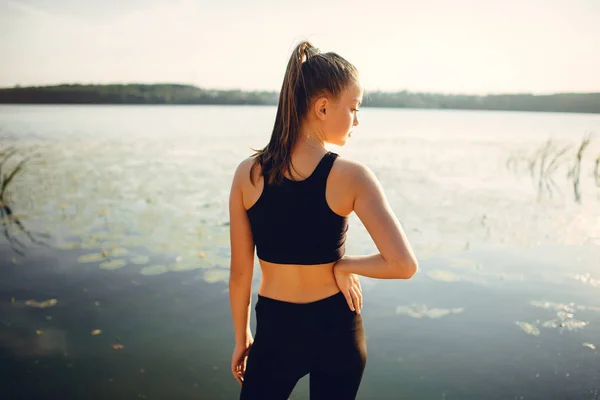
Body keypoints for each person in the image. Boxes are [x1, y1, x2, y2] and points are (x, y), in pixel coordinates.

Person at [228, 40, 418, 400]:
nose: (357, 120)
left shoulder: (247, 174)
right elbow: (403, 265)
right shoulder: (352, 175)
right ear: (323, 107)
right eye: (354, 107)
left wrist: (242, 338)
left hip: (275, 332)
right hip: (337, 330)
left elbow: (240, 274)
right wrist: (344, 266)